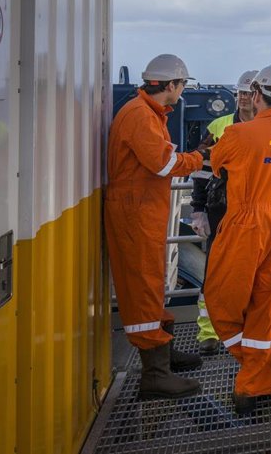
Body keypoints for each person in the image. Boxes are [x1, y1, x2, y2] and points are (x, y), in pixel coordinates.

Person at [203, 64, 271, 415]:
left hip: (246, 224)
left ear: (257, 94)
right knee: (268, 304)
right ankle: (256, 383)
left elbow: (216, 164)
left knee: (220, 298)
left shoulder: (237, 133)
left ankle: (249, 361)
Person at [105, 54, 208, 400]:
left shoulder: (147, 113)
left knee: (152, 282)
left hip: (142, 211)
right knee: (143, 286)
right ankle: (155, 375)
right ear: (171, 85)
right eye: (182, 85)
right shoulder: (140, 116)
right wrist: (200, 158)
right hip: (135, 214)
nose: (182, 91)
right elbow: (163, 163)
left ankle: (164, 354)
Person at [190, 69, 258, 354]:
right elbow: (201, 169)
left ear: (258, 96)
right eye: (240, 93)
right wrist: (198, 210)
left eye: (248, 93)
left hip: (256, 214)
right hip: (222, 210)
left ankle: (249, 329)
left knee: (254, 273)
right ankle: (208, 332)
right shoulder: (219, 127)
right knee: (215, 271)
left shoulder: (266, 128)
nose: (243, 98)